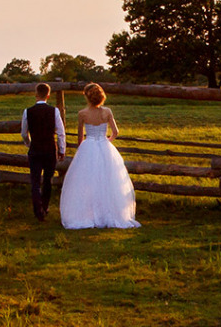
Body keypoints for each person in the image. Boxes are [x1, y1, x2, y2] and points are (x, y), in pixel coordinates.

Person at [59, 83, 139, 230]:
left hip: (88, 146)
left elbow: (79, 137)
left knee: (86, 182)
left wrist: (83, 148)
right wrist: (106, 141)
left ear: (87, 97)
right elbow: (116, 132)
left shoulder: (82, 113)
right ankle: (109, 212)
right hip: (104, 146)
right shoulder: (107, 111)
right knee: (108, 180)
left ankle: (87, 213)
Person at [21, 82, 67, 221]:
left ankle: (37, 210)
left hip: (35, 149)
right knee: (47, 179)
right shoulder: (54, 111)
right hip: (49, 149)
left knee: (35, 180)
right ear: (48, 95)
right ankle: (45, 207)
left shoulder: (27, 111)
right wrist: (62, 149)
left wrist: (29, 143)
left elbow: (24, 132)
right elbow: (60, 132)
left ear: (36, 95)